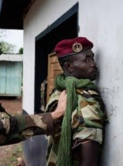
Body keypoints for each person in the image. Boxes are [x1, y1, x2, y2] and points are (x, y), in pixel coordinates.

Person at [44, 37, 107, 166]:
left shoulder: (59, 90)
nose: (94, 64)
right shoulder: (86, 101)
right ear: (69, 67)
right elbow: (89, 162)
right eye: (87, 60)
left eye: (92, 58)